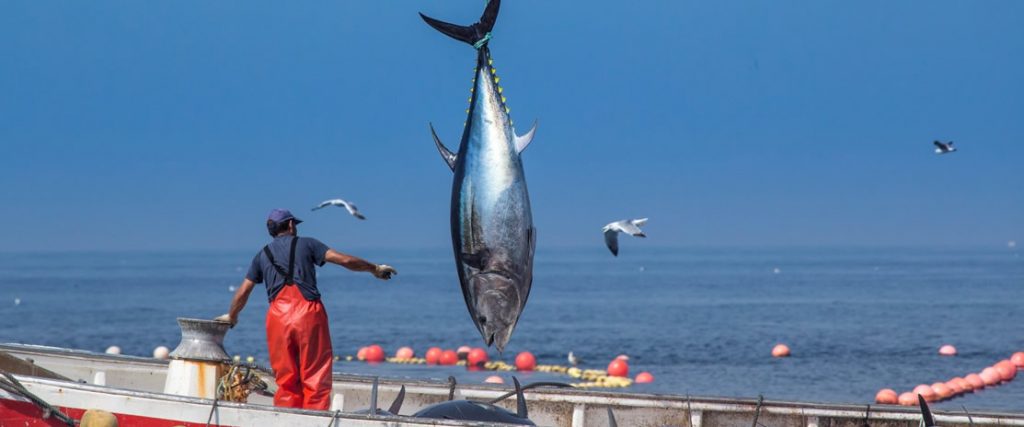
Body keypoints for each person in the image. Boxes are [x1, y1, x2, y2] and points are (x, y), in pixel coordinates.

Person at [216, 208, 396, 410]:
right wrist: (375, 269)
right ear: (291, 225)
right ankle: (314, 420)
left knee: (285, 378)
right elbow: (344, 260)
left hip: (277, 318)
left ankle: (286, 418)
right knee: (315, 374)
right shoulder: (308, 244)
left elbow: (243, 291)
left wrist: (232, 316)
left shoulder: (261, 255)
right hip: (308, 313)